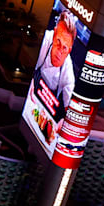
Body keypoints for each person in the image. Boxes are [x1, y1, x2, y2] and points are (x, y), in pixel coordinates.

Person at [30, 11, 78, 143]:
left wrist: (66, 122)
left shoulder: (67, 68)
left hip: (47, 115)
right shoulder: (44, 40)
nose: (59, 52)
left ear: (70, 49)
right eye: (58, 42)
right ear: (54, 33)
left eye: (65, 48)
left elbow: (71, 105)